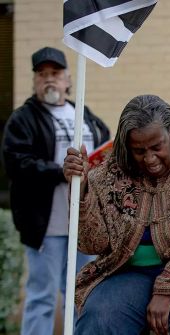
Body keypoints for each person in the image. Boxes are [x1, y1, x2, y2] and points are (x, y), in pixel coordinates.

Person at [63, 94, 170, 335]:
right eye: (139, 151)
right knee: (101, 315)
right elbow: (91, 243)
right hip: (128, 274)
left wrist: (167, 286)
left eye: (156, 147)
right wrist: (80, 191)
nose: (150, 159)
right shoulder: (107, 175)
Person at [1, 46, 110, 335]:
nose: (49, 79)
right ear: (35, 80)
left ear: (68, 79)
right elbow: (16, 163)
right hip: (46, 227)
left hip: (82, 226)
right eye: (42, 74)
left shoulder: (84, 114)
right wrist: (58, 171)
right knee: (42, 297)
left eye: (55, 73)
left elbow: (104, 144)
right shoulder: (23, 119)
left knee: (81, 296)